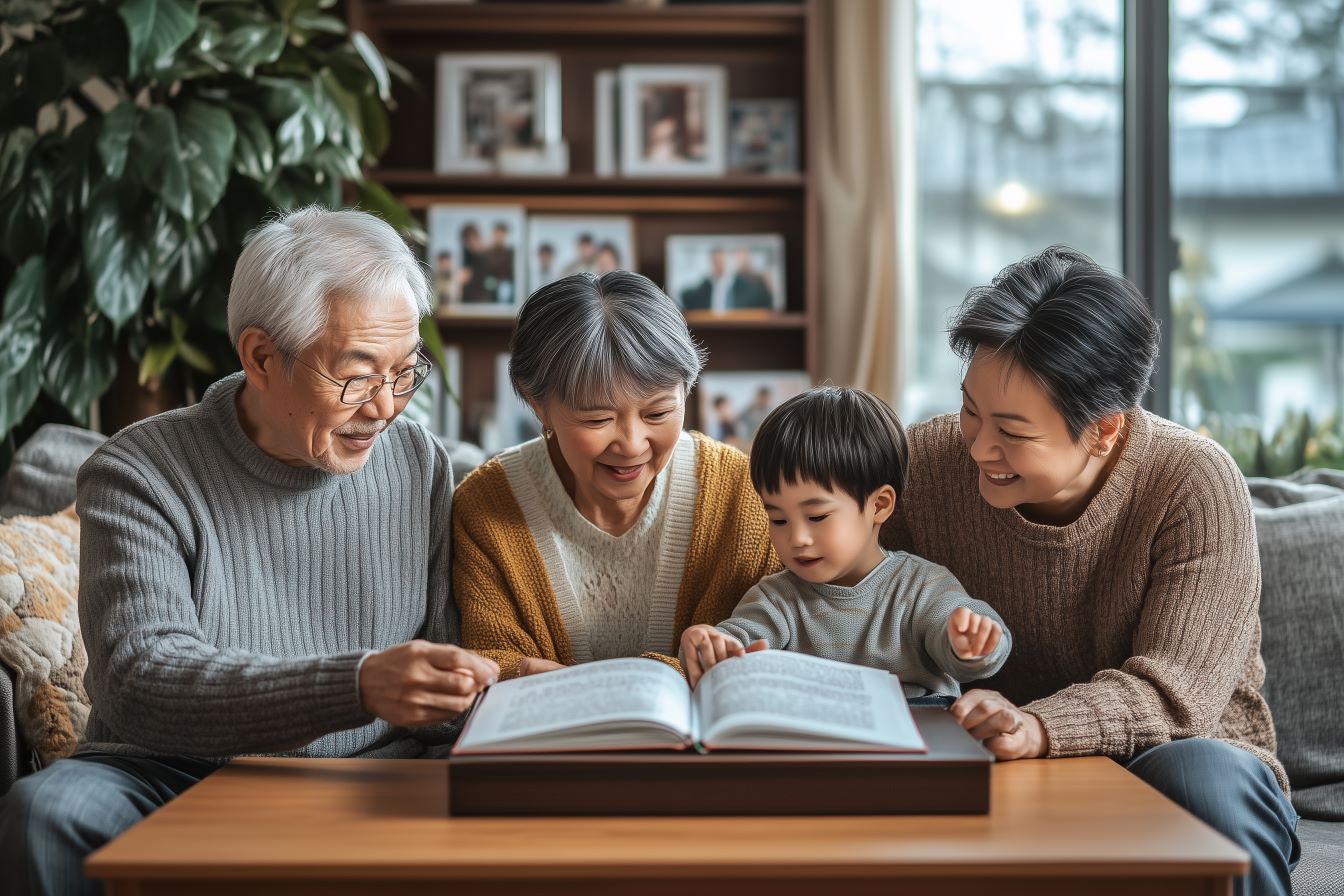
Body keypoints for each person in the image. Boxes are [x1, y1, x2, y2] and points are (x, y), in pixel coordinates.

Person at [0, 207, 499, 895]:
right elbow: (141, 679)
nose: (386, 407)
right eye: (356, 376)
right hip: (175, 770)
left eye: (405, 371)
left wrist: (486, 687)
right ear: (262, 358)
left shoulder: (417, 460)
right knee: (44, 814)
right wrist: (356, 684)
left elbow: (439, 674)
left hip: (379, 769)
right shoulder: (140, 471)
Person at [883, 245, 1300, 896]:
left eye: (1013, 431)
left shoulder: (1193, 481)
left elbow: (1175, 696)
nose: (979, 446)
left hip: (1171, 762)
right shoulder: (925, 465)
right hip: (992, 765)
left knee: (1206, 777)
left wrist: (1039, 727)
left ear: (1104, 429)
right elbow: (851, 596)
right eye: (971, 410)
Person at [452, 271, 778, 679]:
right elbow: (487, 663)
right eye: (598, 419)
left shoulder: (740, 490)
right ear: (538, 404)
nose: (631, 443)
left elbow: (772, 648)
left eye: (657, 413)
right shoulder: (486, 506)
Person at [680, 387, 1010, 698]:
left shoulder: (922, 587)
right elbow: (736, 640)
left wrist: (971, 642)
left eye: (817, 517)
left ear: (879, 505)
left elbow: (965, 633)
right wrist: (710, 645)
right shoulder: (776, 599)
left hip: (915, 744)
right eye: (778, 519)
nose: (797, 538)